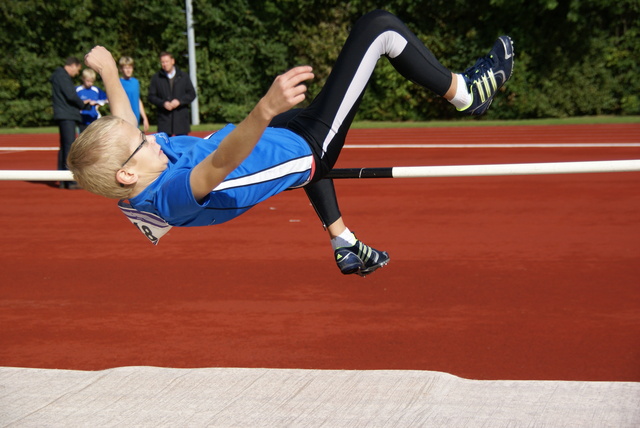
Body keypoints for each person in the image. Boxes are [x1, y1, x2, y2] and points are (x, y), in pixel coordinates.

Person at [68, 10, 514, 276]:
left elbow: (124, 130)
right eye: (142, 142)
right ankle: (465, 93)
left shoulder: (134, 181)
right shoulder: (170, 195)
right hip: (306, 147)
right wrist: (264, 109)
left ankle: (343, 240)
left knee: (288, 147)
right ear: (127, 172)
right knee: (380, 29)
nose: (151, 139)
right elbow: (220, 163)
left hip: (281, 135)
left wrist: (108, 70)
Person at [50, 56, 85, 188]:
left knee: (65, 146)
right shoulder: (62, 76)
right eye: (77, 70)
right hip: (67, 114)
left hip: (64, 114)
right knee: (69, 147)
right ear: (73, 65)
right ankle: (69, 181)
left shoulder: (59, 76)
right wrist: (83, 104)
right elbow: (71, 95)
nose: (77, 73)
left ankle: (63, 179)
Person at [147, 51, 196, 135]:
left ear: (172, 61)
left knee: (182, 146)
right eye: (163, 62)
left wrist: (180, 101)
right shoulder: (156, 78)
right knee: (164, 147)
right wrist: (163, 103)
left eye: (167, 61)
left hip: (181, 120)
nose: (165, 64)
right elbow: (151, 96)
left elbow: (192, 94)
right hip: (164, 121)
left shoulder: (183, 76)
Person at [119, 56, 149, 132]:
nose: (128, 70)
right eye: (126, 68)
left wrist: (144, 117)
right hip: (124, 118)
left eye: (130, 67)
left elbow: (138, 100)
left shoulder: (135, 82)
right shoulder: (118, 83)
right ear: (121, 69)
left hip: (136, 117)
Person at [76, 68, 109, 133]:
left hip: (94, 118)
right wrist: (83, 103)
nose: (90, 83)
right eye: (88, 81)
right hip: (82, 119)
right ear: (83, 79)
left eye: (92, 81)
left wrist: (96, 103)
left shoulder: (96, 90)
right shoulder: (78, 90)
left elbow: (107, 100)